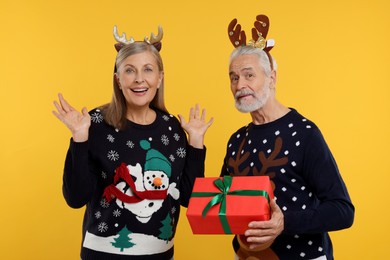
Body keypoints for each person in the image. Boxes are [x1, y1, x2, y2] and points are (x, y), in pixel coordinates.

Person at [53, 25, 213, 260]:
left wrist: (196, 142)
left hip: (160, 254)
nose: (139, 79)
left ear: (159, 78)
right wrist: (79, 138)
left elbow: (189, 198)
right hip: (103, 253)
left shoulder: (173, 129)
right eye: (130, 71)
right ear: (118, 80)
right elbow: (75, 198)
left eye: (148, 70)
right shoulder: (94, 124)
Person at [221, 15, 354, 260]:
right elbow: (224, 204)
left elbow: (343, 211)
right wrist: (196, 143)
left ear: (271, 78)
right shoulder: (236, 140)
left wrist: (284, 222)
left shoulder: (304, 134)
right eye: (234, 77)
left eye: (249, 75)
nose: (240, 85)